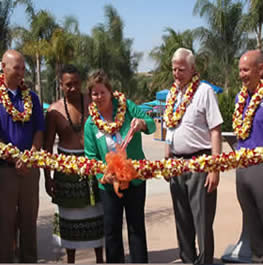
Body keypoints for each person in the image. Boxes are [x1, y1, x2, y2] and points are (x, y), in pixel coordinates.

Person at [84, 69, 156, 263]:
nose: (99, 97)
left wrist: (142, 123)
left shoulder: (127, 106)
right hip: (109, 185)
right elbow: (91, 158)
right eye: (94, 93)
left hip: (134, 180)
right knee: (112, 231)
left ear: (110, 91)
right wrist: (102, 176)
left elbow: (152, 124)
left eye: (102, 92)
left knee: (136, 228)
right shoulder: (91, 124)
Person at [164, 48, 223, 264]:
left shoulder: (205, 91)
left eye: (181, 69)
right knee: (182, 221)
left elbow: (215, 130)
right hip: (176, 164)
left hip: (200, 164)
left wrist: (214, 168)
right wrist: (166, 160)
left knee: (202, 222)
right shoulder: (172, 94)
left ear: (192, 69)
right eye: (174, 69)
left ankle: (205, 261)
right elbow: (168, 130)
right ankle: (187, 260)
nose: (177, 74)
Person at [44, 65, 104, 263]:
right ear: (61, 85)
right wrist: (47, 178)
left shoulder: (92, 103)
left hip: (91, 163)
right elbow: (47, 148)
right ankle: (71, 260)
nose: (73, 88)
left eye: (76, 83)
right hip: (65, 168)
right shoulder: (54, 111)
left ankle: (100, 259)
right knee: (68, 217)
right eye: (68, 84)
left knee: (97, 213)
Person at [0, 49, 45, 262]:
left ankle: (29, 260)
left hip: (30, 169)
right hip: (4, 171)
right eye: (16, 68)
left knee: (29, 221)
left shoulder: (33, 98)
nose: (20, 73)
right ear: (3, 67)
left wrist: (31, 155)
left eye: (23, 68)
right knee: (5, 223)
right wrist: (13, 158)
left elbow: (39, 129)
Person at [234, 50, 263, 263]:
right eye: (240, 70)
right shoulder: (240, 97)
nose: (241, 75)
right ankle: (256, 256)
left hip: (261, 167)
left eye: (245, 70)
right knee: (250, 217)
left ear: (260, 69)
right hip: (242, 166)